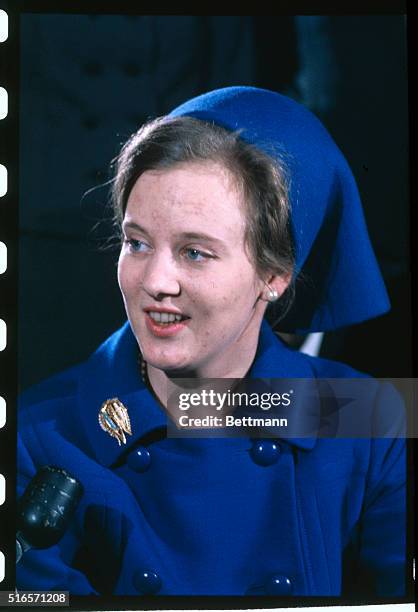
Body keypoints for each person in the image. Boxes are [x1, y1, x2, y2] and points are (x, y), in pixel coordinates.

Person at [17, 86, 405, 597]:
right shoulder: (36, 433)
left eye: (195, 252)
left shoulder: (371, 421)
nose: (155, 280)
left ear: (275, 275)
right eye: (137, 242)